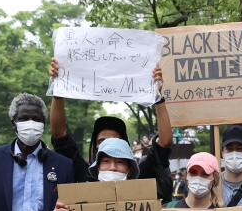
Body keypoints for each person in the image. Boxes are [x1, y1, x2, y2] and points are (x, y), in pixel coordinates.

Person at [47, 59, 174, 201]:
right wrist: (58, 90)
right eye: (102, 142)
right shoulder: (84, 175)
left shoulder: (139, 177)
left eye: (116, 142)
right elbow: (59, 134)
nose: (112, 166)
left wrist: (158, 97)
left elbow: (164, 143)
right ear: (95, 150)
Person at [219, 125, 242, 207]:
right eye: (229, 149)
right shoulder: (213, 186)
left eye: (241, 149)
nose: (235, 154)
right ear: (222, 153)